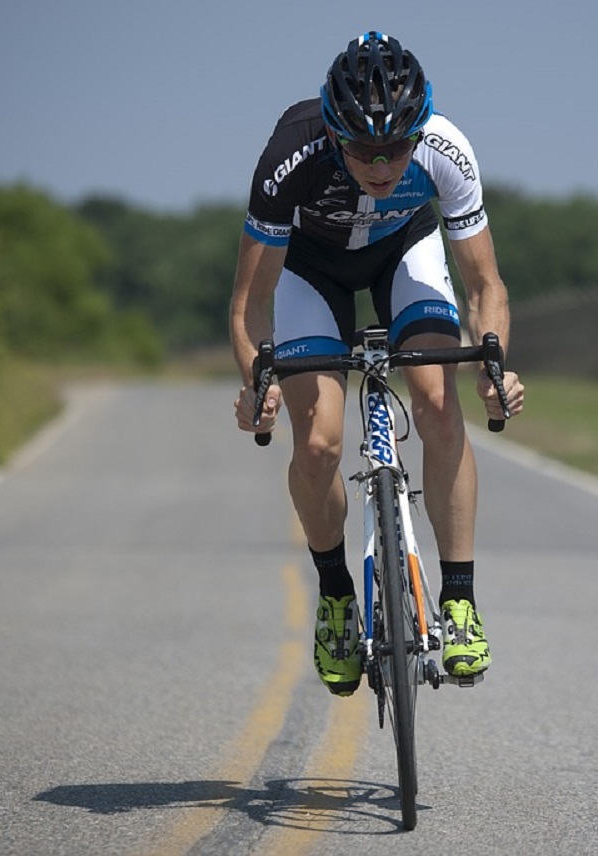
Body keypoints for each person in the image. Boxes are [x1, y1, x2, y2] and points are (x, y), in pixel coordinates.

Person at [231, 31, 524, 697]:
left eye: (399, 146)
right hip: (313, 264)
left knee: (440, 405)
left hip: (403, 251)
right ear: (334, 135)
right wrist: (255, 382)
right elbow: (248, 306)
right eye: (364, 148)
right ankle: (336, 596)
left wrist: (493, 366)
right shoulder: (290, 155)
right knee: (317, 443)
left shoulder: (447, 149)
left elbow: (485, 288)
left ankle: (458, 601)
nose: (384, 164)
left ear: (422, 131)